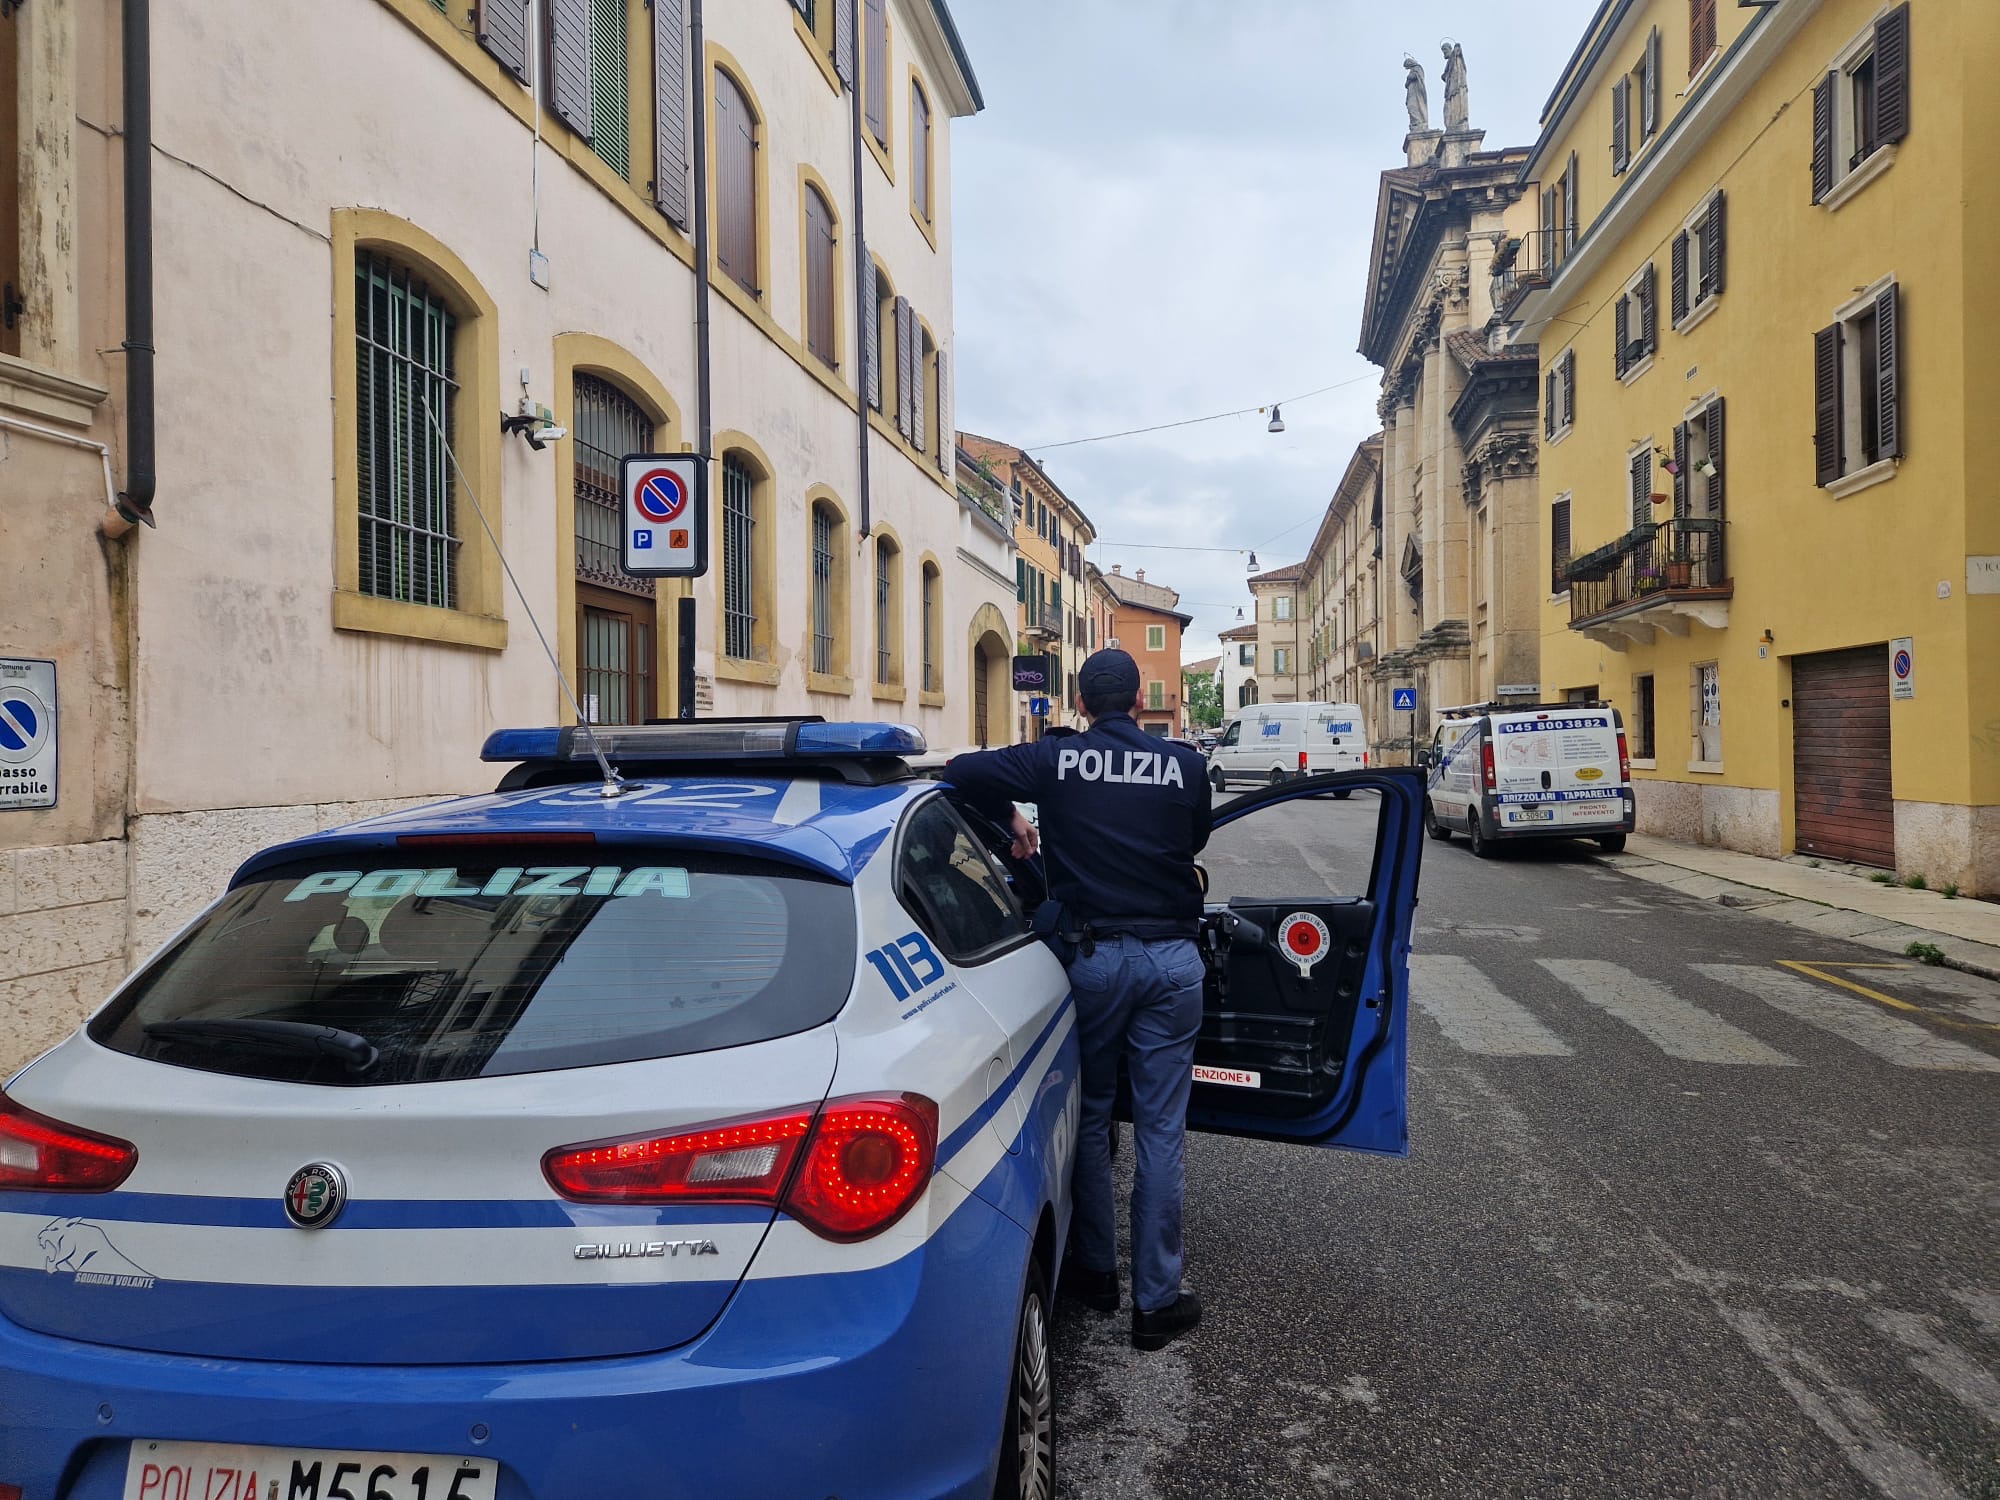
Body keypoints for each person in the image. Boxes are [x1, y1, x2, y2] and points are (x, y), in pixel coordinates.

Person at [944, 648, 1213, 1352]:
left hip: (1092, 961)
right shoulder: (1184, 764)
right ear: (1140, 701)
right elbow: (1194, 839)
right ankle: (1157, 1301)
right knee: (1161, 1128)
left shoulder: (1055, 759)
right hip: (1171, 962)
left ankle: (1095, 1272)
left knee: (1091, 1114)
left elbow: (962, 772)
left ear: (1084, 703)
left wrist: (1013, 814)